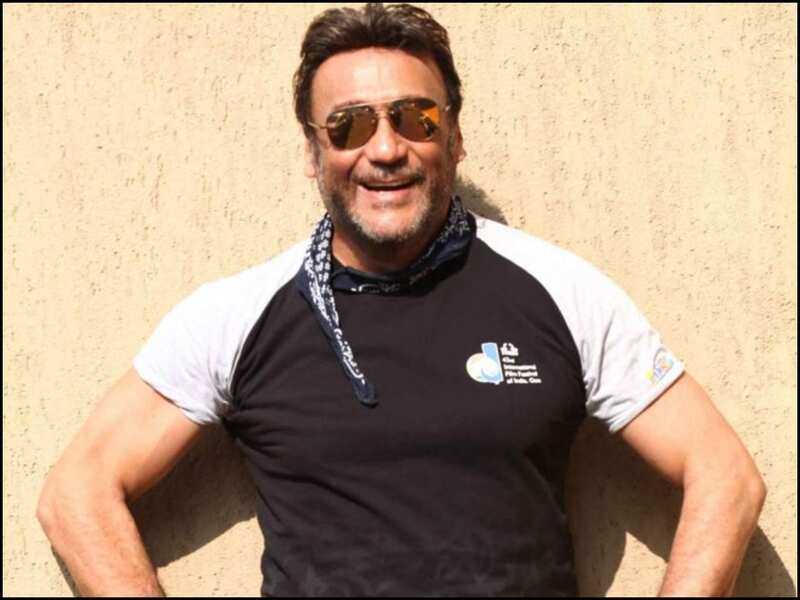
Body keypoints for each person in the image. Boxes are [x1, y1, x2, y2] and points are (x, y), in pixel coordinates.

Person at [37, 3, 767, 596]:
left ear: (455, 136)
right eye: (349, 125)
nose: (385, 149)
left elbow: (725, 477)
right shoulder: (238, 314)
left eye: (416, 118)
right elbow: (77, 494)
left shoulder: (562, 292)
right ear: (313, 153)